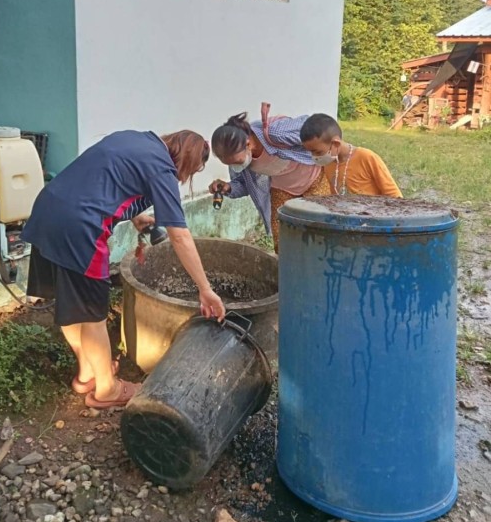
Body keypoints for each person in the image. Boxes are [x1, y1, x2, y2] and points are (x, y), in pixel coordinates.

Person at [23, 129, 226, 410]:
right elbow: (179, 236)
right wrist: (205, 289)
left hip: (48, 209)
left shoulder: (134, 138)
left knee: (71, 302)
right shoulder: (163, 170)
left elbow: (104, 182)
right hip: (80, 228)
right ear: (186, 163)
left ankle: (87, 373)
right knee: (92, 314)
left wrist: (136, 216)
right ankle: (107, 388)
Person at [209, 104, 330, 253]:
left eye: (236, 162)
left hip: (313, 180)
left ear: (247, 143)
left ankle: (318, 267)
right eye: (230, 164)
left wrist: (328, 152)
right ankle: (287, 269)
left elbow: (314, 128)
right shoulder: (237, 156)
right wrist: (228, 187)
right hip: (282, 189)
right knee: (282, 235)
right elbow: (243, 183)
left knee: (320, 229)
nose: (235, 166)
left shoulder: (275, 132)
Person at [299, 113, 402, 197]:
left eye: (317, 152)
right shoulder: (329, 163)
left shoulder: (366, 157)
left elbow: (394, 195)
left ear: (336, 144)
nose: (314, 156)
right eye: (310, 152)